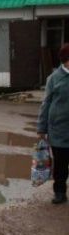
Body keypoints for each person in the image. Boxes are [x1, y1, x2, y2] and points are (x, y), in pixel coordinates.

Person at [37, 43, 69, 204]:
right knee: (61, 164)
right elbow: (46, 103)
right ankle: (60, 192)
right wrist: (41, 128)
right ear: (66, 60)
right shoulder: (54, 78)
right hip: (59, 130)